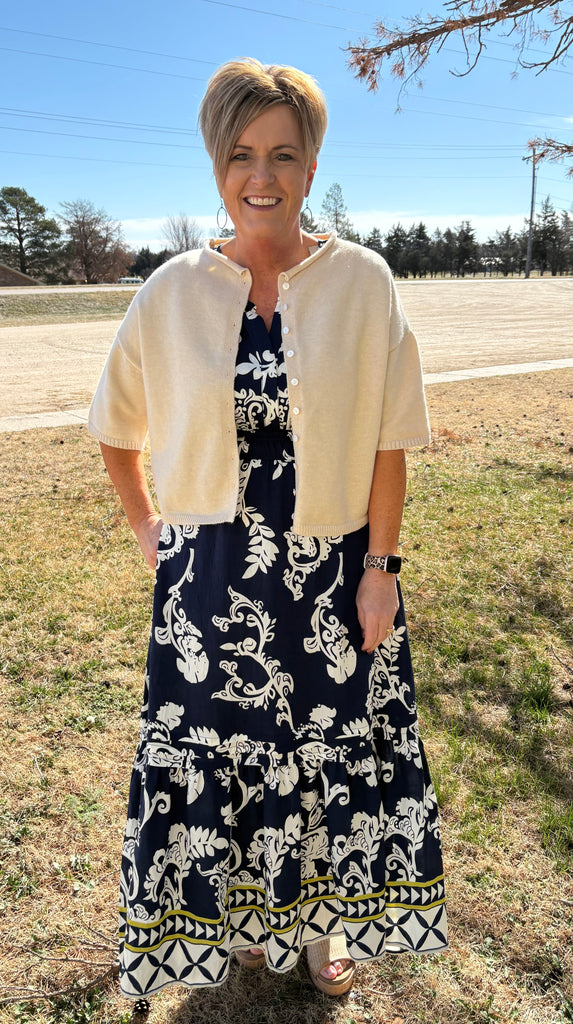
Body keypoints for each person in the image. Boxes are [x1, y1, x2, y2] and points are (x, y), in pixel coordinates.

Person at [88, 57, 447, 1004]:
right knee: (227, 756)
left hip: (333, 576)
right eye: (241, 154)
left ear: (311, 167)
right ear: (217, 166)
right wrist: (150, 529)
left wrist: (381, 566)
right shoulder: (170, 289)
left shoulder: (362, 281)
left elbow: (390, 437)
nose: (262, 176)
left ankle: (323, 927)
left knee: (327, 752)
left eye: (283, 155)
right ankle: (247, 921)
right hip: (209, 581)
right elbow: (113, 426)